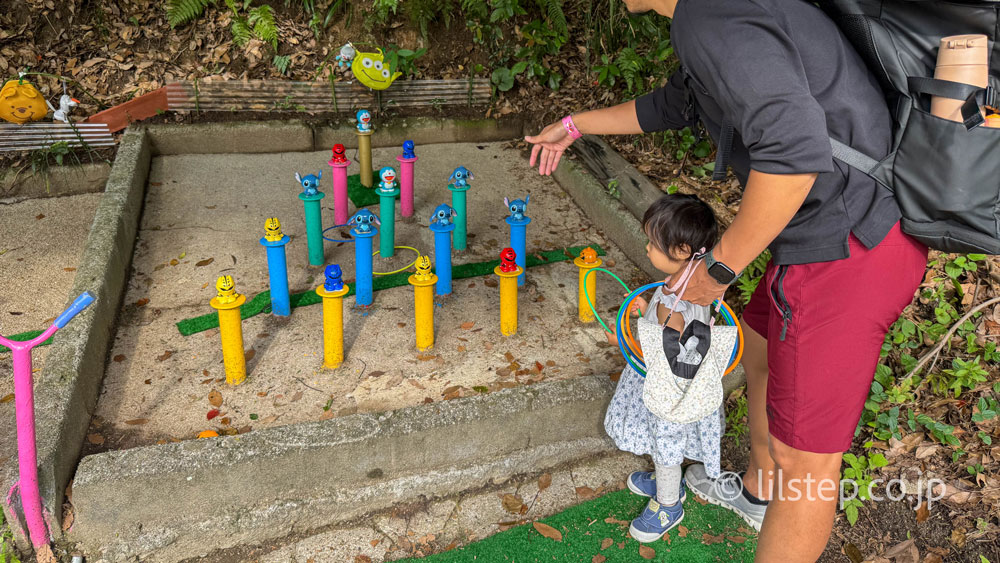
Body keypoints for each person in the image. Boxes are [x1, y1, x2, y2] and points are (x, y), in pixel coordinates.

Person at [525, 0, 927, 560]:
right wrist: (575, 127)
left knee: (807, 463)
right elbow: (674, 104)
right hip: (820, 238)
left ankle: (779, 487)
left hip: (849, 249)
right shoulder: (713, 14)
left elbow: (792, 154)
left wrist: (715, 271)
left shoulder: (713, 14)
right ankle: (758, 493)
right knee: (759, 340)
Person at [603, 193, 729, 542]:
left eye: (652, 243)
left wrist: (625, 340)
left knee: (666, 442)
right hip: (679, 382)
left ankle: (669, 502)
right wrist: (647, 305)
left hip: (669, 390)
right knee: (664, 443)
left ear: (682, 251)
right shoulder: (693, 283)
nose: (646, 248)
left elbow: (663, 349)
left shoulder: (675, 303)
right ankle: (666, 480)